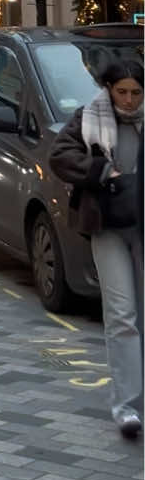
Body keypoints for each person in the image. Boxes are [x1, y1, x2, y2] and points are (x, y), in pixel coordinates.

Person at [49, 59, 144, 438]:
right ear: (108, 89)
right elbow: (59, 156)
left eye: (136, 92)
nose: (129, 99)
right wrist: (102, 171)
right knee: (121, 315)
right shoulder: (89, 116)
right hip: (107, 226)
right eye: (121, 91)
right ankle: (127, 407)